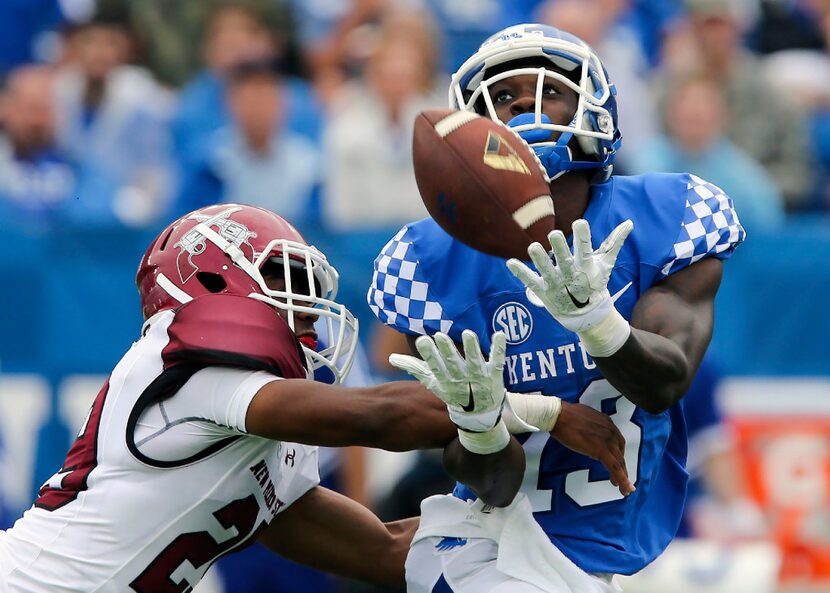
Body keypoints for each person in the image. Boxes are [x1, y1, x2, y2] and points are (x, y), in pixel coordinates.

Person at [0, 203, 627, 592]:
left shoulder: (257, 436)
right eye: (282, 281)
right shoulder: (180, 372)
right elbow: (381, 416)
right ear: (212, 277)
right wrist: (547, 410)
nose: (304, 311)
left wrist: (532, 545)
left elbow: (380, 551)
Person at [368, 23, 745, 592]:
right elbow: (486, 480)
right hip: (498, 547)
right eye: (501, 96)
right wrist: (487, 426)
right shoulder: (429, 262)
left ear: (593, 106)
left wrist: (597, 322)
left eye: (546, 90)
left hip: (627, 548)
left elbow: (664, 383)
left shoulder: (670, 215)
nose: (521, 102)